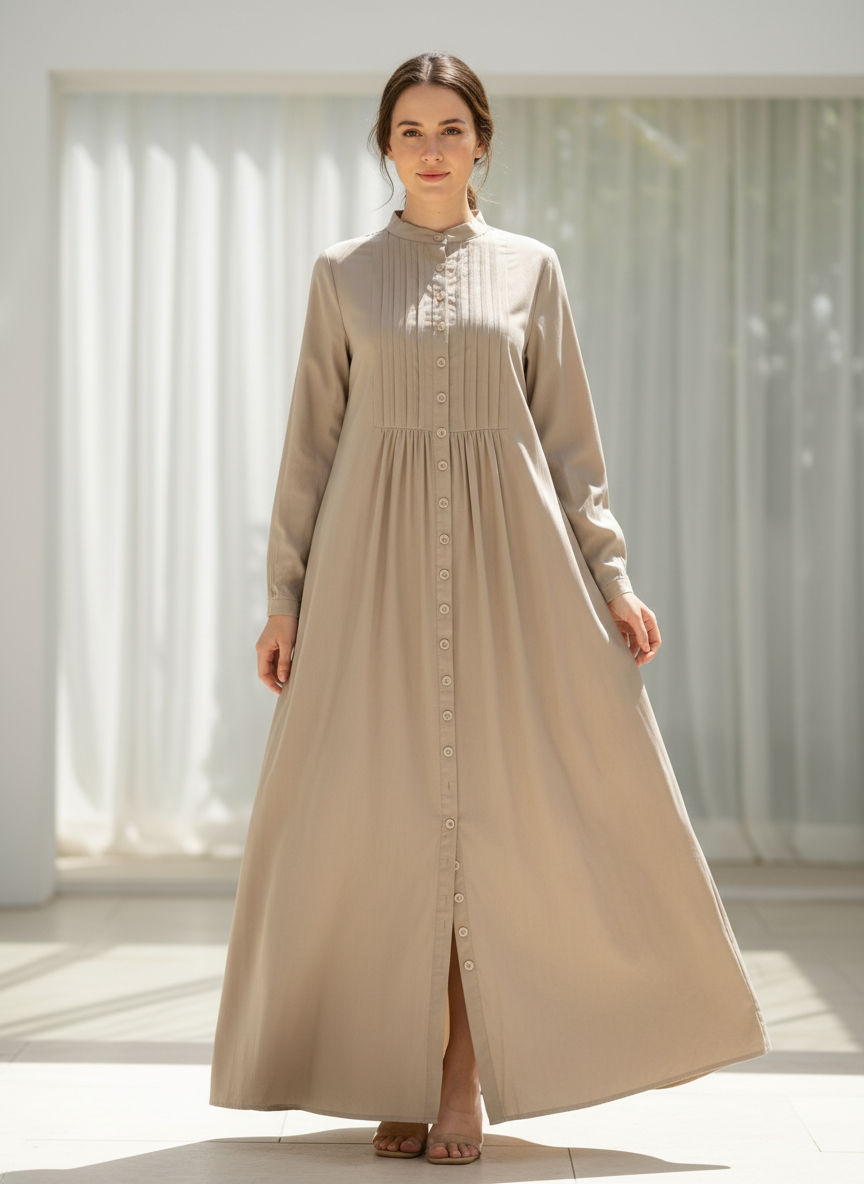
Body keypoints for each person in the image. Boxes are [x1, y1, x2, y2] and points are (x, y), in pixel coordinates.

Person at [209, 52, 771, 1167]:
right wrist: (283, 597)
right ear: (386, 146)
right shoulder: (343, 276)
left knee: (498, 822)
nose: (430, 146)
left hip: (515, 579)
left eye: (450, 128)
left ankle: (461, 1070)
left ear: (482, 143)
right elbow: (308, 453)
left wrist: (611, 576)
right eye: (410, 129)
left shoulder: (531, 269)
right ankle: (399, 1063)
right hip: (370, 583)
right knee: (382, 823)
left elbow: (571, 444)